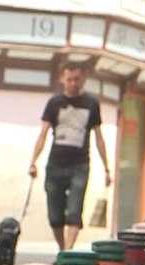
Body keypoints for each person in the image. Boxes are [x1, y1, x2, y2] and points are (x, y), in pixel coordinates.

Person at [29, 62, 112, 250]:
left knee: (74, 212)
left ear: (82, 80)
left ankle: (68, 253)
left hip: (80, 165)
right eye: (69, 79)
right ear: (62, 79)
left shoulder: (91, 104)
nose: (73, 83)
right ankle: (62, 249)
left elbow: (99, 137)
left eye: (77, 79)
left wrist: (107, 168)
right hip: (55, 164)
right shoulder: (54, 103)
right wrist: (33, 162)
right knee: (55, 216)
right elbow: (43, 134)